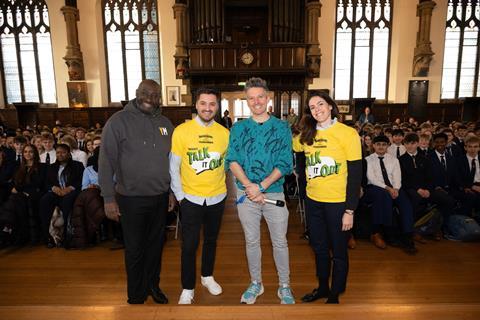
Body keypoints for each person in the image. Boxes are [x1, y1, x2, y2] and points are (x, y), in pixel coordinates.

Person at [98, 79, 174, 305]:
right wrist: (108, 198)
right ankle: (136, 292)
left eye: (155, 95)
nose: (150, 99)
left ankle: (153, 286)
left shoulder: (166, 123)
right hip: (130, 199)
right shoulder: (117, 122)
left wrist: (170, 192)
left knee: (155, 247)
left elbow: (171, 162)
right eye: (146, 93)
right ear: (137, 93)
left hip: (160, 197)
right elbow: (105, 162)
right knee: (134, 248)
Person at [225, 77, 294, 305]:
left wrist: (261, 186)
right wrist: (249, 186)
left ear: (268, 98)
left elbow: (285, 162)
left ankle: (284, 285)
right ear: (246, 100)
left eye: (260, 97)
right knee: (252, 241)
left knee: (280, 242)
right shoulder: (238, 128)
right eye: (251, 98)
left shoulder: (282, 127)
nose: (256, 102)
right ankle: (256, 282)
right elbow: (232, 160)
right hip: (246, 194)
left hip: (273, 192)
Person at [293, 91, 362, 304]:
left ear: (330, 106)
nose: (317, 110)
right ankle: (322, 287)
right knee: (319, 248)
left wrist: (350, 210)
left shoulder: (347, 133)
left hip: (338, 203)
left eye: (320, 104)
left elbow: (355, 175)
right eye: (312, 107)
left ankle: (335, 292)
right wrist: (304, 189)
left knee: (339, 250)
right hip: (313, 201)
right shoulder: (306, 134)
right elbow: (298, 156)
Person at [170, 88, 229, 304]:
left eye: (212, 104)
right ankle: (187, 287)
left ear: (217, 107)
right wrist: (180, 197)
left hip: (217, 197)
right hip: (190, 199)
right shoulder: (182, 131)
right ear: (196, 105)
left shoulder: (224, 134)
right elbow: (173, 166)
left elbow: (227, 166)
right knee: (189, 245)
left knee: (211, 241)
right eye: (203, 103)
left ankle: (207, 276)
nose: (207, 108)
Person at [364, 135, 417, 254]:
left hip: (394, 188)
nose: (381, 147)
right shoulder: (368, 160)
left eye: (384, 144)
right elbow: (371, 178)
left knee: (405, 203)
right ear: (373, 146)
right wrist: (387, 188)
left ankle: (408, 236)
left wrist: (396, 189)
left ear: (388, 145)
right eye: (378, 144)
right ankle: (388, 234)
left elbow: (398, 176)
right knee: (384, 197)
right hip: (376, 187)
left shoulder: (394, 159)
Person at [39, 144, 84, 248]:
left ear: (69, 154)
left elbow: (81, 180)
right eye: (58, 152)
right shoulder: (51, 167)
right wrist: (54, 188)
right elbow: (46, 183)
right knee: (44, 200)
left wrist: (70, 188)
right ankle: (48, 236)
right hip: (56, 192)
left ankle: (67, 237)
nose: (60, 155)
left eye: (63, 152)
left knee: (67, 201)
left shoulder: (78, 165)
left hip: (72, 191)